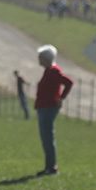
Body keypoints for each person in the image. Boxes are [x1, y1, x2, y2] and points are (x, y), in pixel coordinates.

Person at [33, 45, 74, 176]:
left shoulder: (53, 71)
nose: (38, 59)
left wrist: (61, 98)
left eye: (40, 57)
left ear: (46, 58)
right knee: (45, 138)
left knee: (48, 137)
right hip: (44, 107)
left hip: (48, 107)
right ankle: (48, 166)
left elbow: (69, 82)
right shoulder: (48, 70)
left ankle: (51, 167)